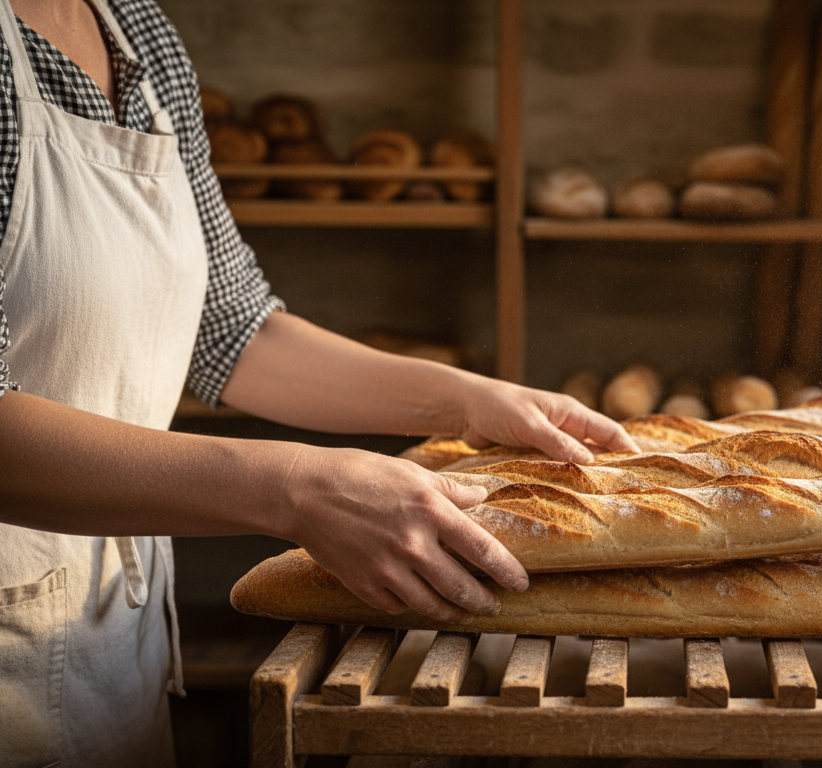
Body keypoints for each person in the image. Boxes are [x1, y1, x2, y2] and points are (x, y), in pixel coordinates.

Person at [0, 0, 638, 765]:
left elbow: (231, 330)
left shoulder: (136, 29)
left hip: (109, 628)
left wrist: (464, 397)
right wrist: (294, 488)